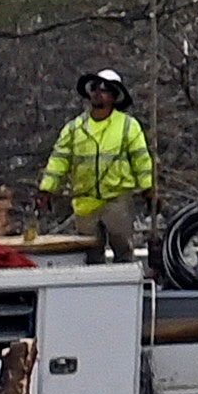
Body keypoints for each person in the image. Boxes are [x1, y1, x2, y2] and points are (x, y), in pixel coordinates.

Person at [44, 69, 158, 262]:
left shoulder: (128, 126)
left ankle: (124, 290)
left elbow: (141, 160)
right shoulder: (75, 128)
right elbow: (59, 160)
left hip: (117, 200)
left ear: (114, 96)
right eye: (95, 87)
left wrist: (149, 189)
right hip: (85, 202)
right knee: (90, 257)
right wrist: (46, 190)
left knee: (123, 252)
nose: (99, 92)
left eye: (105, 89)